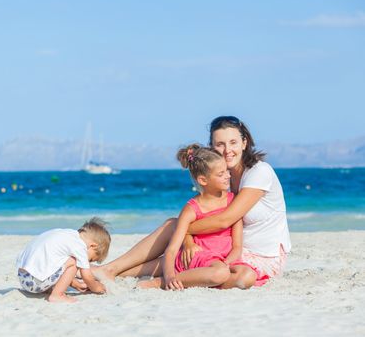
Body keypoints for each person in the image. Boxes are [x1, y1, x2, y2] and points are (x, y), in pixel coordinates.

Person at [94, 116, 291, 288]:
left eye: (233, 142)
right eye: (220, 144)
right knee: (178, 238)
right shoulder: (222, 176)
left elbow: (225, 220)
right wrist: (185, 236)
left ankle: (162, 280)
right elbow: (205, 213)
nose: (227, 150)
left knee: (240, 277)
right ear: (212, 147)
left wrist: (183, 230)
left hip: (258, 255)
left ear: (244, 142)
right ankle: (112, 270)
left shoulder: (259, 172)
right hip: (221, 247)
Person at [138, 144, 257, 290]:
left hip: (224, 260)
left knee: (248, 276)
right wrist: (169, 276)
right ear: (203, 180)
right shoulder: (191, 209)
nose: (228, 175)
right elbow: (172, 249)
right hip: (200, 257)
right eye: (221, 174)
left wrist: (227, 263)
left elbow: (237, 246)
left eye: (226, 170)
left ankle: (201, 278)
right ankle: (161, 282)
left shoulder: (234, 202)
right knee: (220, 273)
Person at [16, 217, 110, 303]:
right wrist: (96, 287)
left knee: (63, 260)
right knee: (74, 261)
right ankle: (57, 295)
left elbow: (57, 265)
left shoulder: (65, 234)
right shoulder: (80, 246)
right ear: (93, 246)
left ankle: (51, 289)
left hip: (23, 278)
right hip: (36, 283)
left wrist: (74, 283)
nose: (87, 262)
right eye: (91, 259)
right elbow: (87, 276)